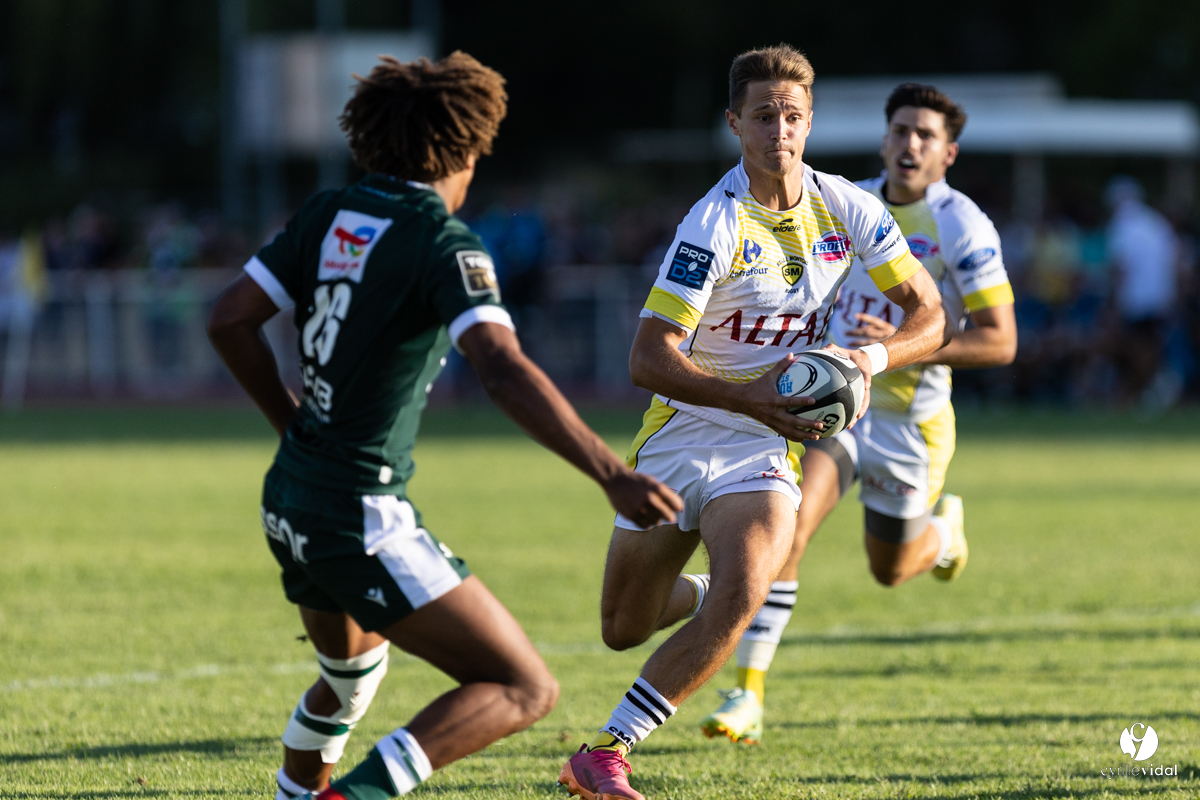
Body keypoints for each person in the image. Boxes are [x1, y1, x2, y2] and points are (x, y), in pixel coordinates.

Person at [207, 52, 681, 800]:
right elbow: (502, 368)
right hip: (359, 512)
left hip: (290, 498)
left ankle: (295, 793)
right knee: (524, 688)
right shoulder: (441, 240)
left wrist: (290, 422)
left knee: (351, 675)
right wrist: (610, 472)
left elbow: (230, 318)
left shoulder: (329, 212)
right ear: (463, 150)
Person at [556, 48, 948, 800]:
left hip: (764, 443)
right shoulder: (713, 222)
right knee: (623, 626)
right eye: (763, 116)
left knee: (752, 587)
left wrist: (870, 361)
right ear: (734, 124)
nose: (780, 131)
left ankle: (605, 752)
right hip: (681, 435)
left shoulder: (847, 206)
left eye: (793, 116)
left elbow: (931, 317)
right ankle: (706, 589)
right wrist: (753, 394)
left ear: (810, 122)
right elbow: (648, 357)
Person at [701, 83, 1017, 746]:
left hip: (910, 423)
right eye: (900, 131)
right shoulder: (846, 204)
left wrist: (897, 350)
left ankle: (943, 535)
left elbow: (1002, 341)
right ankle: (748, 695)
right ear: (883, 140)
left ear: (947, 153)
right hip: (838, 404)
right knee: (788, 529)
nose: (909, 144)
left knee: (890, 568)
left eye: (925, 136)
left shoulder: (961, 224)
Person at [1104, 175, 1180, 406]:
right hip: (1160, 298)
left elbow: (1120, 268)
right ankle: (1149, 390)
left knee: (1135, 349)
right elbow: (1175, 262)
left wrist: (1115, 302)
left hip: (1135, 299)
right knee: (1151, 347)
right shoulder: (1157, 222)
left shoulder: (1122, 225)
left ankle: (1152, 389)